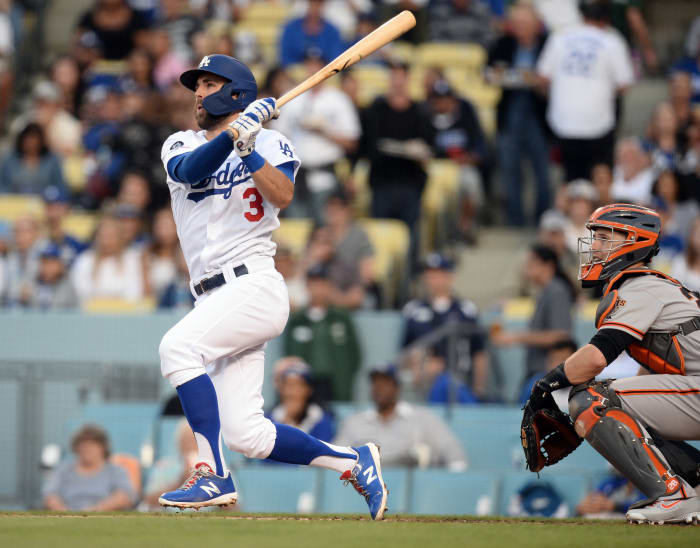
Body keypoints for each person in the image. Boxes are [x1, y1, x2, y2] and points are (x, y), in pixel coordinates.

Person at [155, 54, 388, 519]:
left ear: (235, 92)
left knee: (177, 349)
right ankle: (353, 460)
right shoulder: (180, 142)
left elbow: (282, 194)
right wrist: (234, 137)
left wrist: (248, 147)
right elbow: (189, 172)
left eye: (208, 84)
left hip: (253, 284)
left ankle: (213, 474)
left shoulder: (273, 143)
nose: (198, 93)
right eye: (196, 85)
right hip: (213, 297)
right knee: (248, 435)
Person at [524, 203, 700, 523]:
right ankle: (694, 486)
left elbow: (594, 358)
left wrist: (545, 384)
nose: (594, 246)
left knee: (592, 400)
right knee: (623, 408)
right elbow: (651, 372)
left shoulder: (640, 284)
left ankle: (675, 494)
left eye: (604, 237)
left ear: (633, 241)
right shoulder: (650, 285)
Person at [536, 0, 634, 182]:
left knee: (571, 180)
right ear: (606, 18)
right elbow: (624, 84)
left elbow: (542, 79)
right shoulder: (612, 39)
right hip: (598, 123)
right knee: (599, 180)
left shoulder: (560, 36)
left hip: (563, 123)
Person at [359, 60, 434, 265]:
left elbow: (430, 148)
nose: (398, 82)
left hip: (410, 183)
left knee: (410, 238)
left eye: (402, 77)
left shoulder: (420, 111)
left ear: (408, 80)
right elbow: (366, 146)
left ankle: (409, 281)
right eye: (394, 77)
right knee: (381, 238)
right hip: (382, 182)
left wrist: (417, 152)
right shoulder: (376, 110)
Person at [273, 50, 361, 221]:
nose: (313, 68)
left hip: (326, 175)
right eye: (310, 64)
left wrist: (325, 131)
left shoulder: (339, 99)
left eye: (318, 64)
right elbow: (277, 137)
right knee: (296, 226)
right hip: (297, 177)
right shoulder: (293, 97)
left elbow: (352, 143)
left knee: (325, 228)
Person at [335, 364, 468, 470]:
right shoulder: (355, 422)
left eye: (385, 382)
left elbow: (455, 455)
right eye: (375, 383)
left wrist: (452, 487)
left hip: (415, 493)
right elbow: (335, 460)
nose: (379, 388)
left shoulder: (422, 418)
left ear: (397, 387)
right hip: (365, 495)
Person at [487, 3, 550, 226]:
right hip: (510, 110)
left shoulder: (547, 45)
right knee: (509, 169)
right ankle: (515, 219)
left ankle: (542, 217)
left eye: (525, 23)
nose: (520, 27)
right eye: (517, 23)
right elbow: (489, 73)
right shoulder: (503, 43)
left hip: (538, 114)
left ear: (536, 24)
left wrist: (537, 81)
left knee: (542, 171)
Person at [401, 252, 488, 400]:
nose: (432, 279)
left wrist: (478, 388)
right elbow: (405, 352)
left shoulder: (466, 310)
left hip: (461, 380)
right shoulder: (413, 310)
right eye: (428, 274)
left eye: (437, 274)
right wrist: (422, 364)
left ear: (449, 276)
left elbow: (479, 353)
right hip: (425, 385)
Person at [492, 244, 575, 381]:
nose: (527, 266)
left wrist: (515, 337)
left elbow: (561, 335)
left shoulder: (557, 291)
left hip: (547, 375)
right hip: (540, 373)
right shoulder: (546, 292)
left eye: (532, 262)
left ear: (548, 265)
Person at [284, 262, 361, 402]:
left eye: (322, 284)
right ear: (307, 286)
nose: (318, 289)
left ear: (329, 286)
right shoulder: (297, 321)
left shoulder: (342, 318)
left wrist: (345, 379)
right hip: (305, 386)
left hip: (337, 386)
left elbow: (355, 355)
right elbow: (289, 355)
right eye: (314, 284)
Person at [425, 79, 486, 242]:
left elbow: (481, 149)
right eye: (438, 99)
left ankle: (466, 226)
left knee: (470, 182)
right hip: (436, 167)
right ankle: (440, 235)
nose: (442, 103)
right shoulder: (425, 117)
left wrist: (469, 158)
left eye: (446, 99)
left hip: (462, 165)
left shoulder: (466, 114)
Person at [42, 424, 135, 511]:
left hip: (103, 519)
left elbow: (125, 496)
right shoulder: (62, 470)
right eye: (83, 444)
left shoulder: (116, 471)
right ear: (76, 447)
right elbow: (49, 495)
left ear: (103, 447)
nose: (87, 448)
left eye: (92, 444)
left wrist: (95, 510)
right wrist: (65, 513)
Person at [69, 216, 146, 306]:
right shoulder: (84, 260)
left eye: (111, 236)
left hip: (125, 313)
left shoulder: (132, 259)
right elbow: (81, 293)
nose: (106, 241)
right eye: (102, 236)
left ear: (119, 238)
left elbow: (135, 292)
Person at [267, 359, 336, 443]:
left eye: (297, 386)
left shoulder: (321, 420)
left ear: (308, 390)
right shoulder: (268, 419)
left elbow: (321, 452)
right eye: (287, 385)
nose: (291, 392)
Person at [0, 122, 67, 195]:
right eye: (28, 139)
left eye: (34, 139)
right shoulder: (9, 160)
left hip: (44, 202)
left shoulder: (52, 161)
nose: (31, 143)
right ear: (22, 140)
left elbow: (60, 186)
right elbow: (2, 186)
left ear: (41, 141)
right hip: (15, 202)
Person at [278, 0, 345, 67]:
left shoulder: (332, 31)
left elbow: (336, 58)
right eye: (312, 3)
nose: (314, 8)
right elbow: (285, 57)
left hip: (325, 72)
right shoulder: (291, 28)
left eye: (318, 4)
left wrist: (319, 66)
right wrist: (303, 67)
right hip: (296, 73)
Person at [28, 243, 79, 310]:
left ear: (60, 265)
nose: (48, 267)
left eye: (52, 263)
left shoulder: (68, 287)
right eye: (44, 262)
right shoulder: (32, 283)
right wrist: (24, 300)